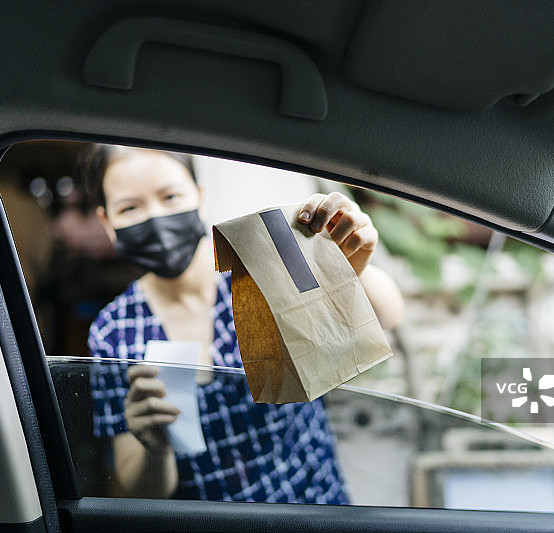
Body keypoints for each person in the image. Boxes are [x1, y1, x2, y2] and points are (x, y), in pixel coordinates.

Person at [80, 144, 404, 502]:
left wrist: (354, 266)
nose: (156, 217)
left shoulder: (260, 269)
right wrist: (154, 448)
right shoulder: (114, 331)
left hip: (317, 508)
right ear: (106, 222)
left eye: (170, 196)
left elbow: (387, 315)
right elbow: (143, 490)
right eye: (130, 207)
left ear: (200, 196)